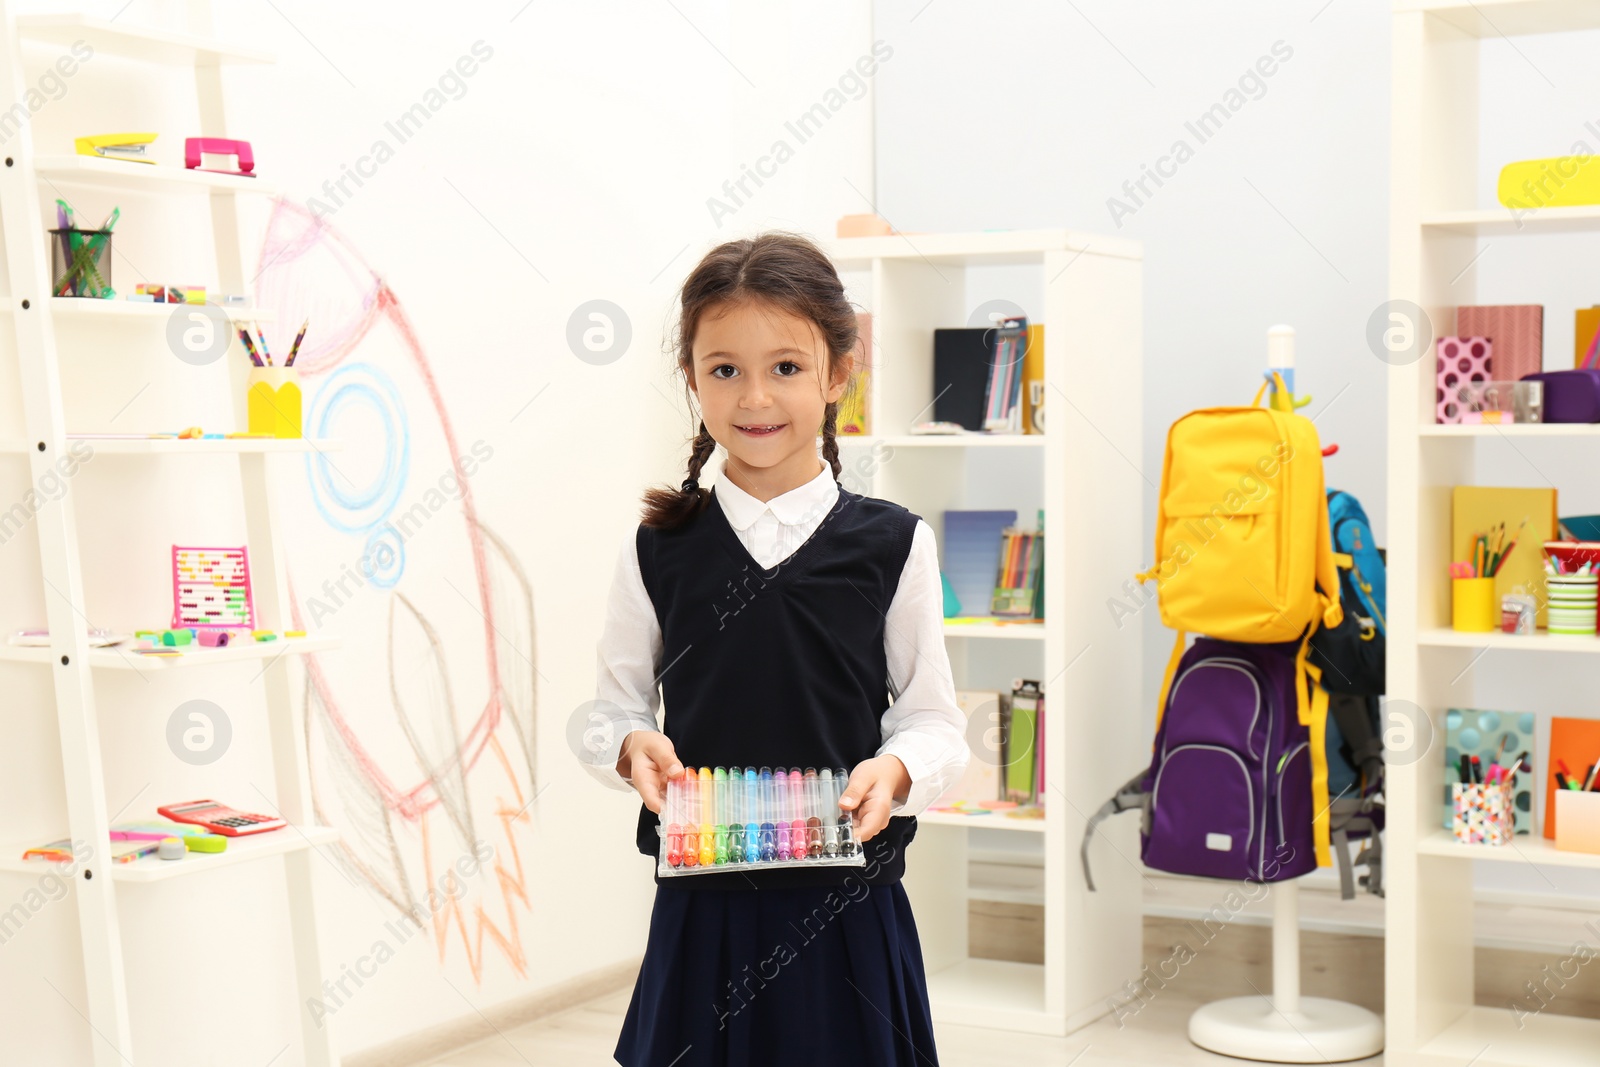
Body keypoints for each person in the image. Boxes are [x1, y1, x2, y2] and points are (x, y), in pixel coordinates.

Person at [587, 231, 970, 1066]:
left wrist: (898, 770)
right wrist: (626, 742)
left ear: (839, 372)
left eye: (787, 367)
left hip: (847, 913)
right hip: (703, 916)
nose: (755, 395)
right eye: (724, 368)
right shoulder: (655, 547)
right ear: (692, 378)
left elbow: (936, 721)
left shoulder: (893, 543)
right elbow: (606, 708)